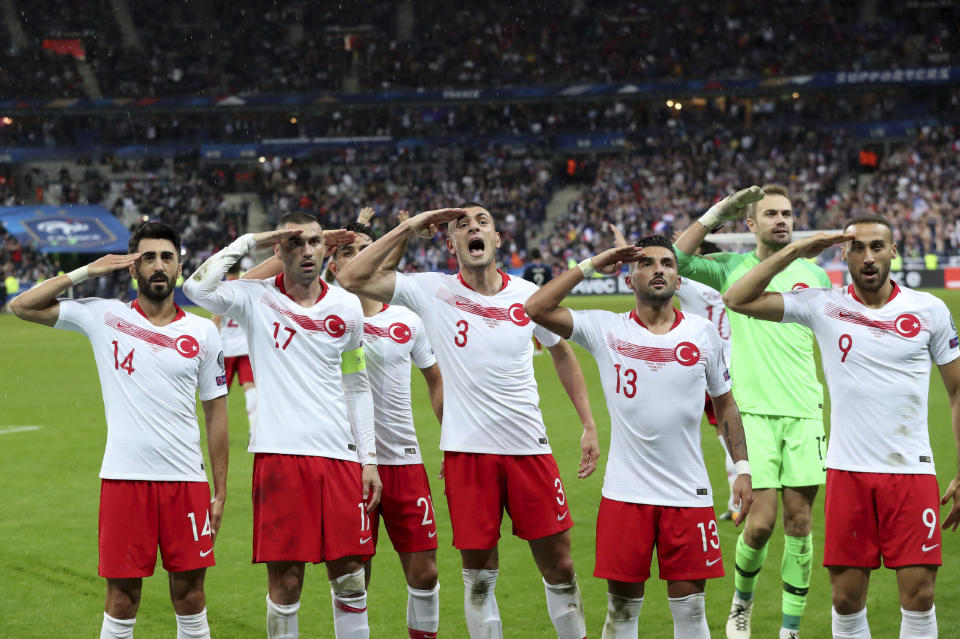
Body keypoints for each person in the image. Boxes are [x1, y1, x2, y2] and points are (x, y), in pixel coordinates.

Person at [337, 204, 600, 639]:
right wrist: (406, 227)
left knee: (562, 566)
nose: (473, 228)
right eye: (462, 225)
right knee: (479, 577)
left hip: (530, 450)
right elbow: (351, 278)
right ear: (450, 243)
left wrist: (588, 423)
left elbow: (562, 352)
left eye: (483, 223)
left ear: (497, 240)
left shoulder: (528, 295)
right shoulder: (431, 290)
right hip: (468, 454)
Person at [722, 215, 960, 639]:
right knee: (846, 601)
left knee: (920, 597)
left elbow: (958, 391)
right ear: (843, 254)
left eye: (877, 247)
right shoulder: (823, 304)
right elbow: (737, 299)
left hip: (912, 472)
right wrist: (795, 249)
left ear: (894, 252)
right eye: (858, 248)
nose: (869, 257)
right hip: (848, 473)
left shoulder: (929, 310)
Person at [524, 235, 753, 638]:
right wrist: (595, 261)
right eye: (646, 263)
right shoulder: (604, 328)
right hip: (625, 495)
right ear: (629, 278)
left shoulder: (703, 334)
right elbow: (535, 308)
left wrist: (743, 468)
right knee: (621, 613)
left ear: (679, 281)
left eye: (667, 263)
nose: (659, 269)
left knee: (691, 613)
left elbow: (725, 404)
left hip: (688, 495)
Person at [10, 221, 229, 639]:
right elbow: (22, 306)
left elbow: (217, 415)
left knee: (191, 599)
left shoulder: (203, 331)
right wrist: (85, 273)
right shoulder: (104, 315)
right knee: (121, 601)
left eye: (167, 256)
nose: (158, 266)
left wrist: (220, 491)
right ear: (133, 268)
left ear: (180, 264)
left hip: (185, 482)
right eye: (148, 257)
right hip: (124, 481)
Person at [182, 212, 382, 639]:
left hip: (340, 459)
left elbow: (356, 383)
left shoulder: (346, 306)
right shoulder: (254, 298)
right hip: (280, 459)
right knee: (286, 586)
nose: (306, 251)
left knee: (350, 578)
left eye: (313, 242)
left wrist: (369, 459)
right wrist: (252, 238)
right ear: (278, 250)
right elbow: (196, 287)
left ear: (326, 248)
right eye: (294, 243)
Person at [674, 184, 831, 639]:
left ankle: (790, 629)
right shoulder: (729, 267)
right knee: (760, 524)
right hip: (752, 412)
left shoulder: (816, 276)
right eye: (771, 214)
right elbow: (678, 260)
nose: (781, 220)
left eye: (787, 213)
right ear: (750, 223)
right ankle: (742, 602)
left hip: (804, 409)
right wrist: (717, 210)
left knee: (800, 523)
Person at [329, 222, 445, 638]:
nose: (360, 257)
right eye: (349, 251)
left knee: (426, 573)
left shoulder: (407, 319)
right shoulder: (326, 319)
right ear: (335, 262)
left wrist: (449, 438)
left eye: (367, 248)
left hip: (404, 462)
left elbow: (435, 378)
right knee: (352, 577)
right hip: (348, 463)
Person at [210, 262, 256, 433]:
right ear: (240, 269)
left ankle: (219, 429)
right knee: (251, 387)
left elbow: (216, 319)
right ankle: (254, 427)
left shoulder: (221, 290)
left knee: (221, 390)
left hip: (226, 348)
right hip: (245, 347)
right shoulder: (246, 289)